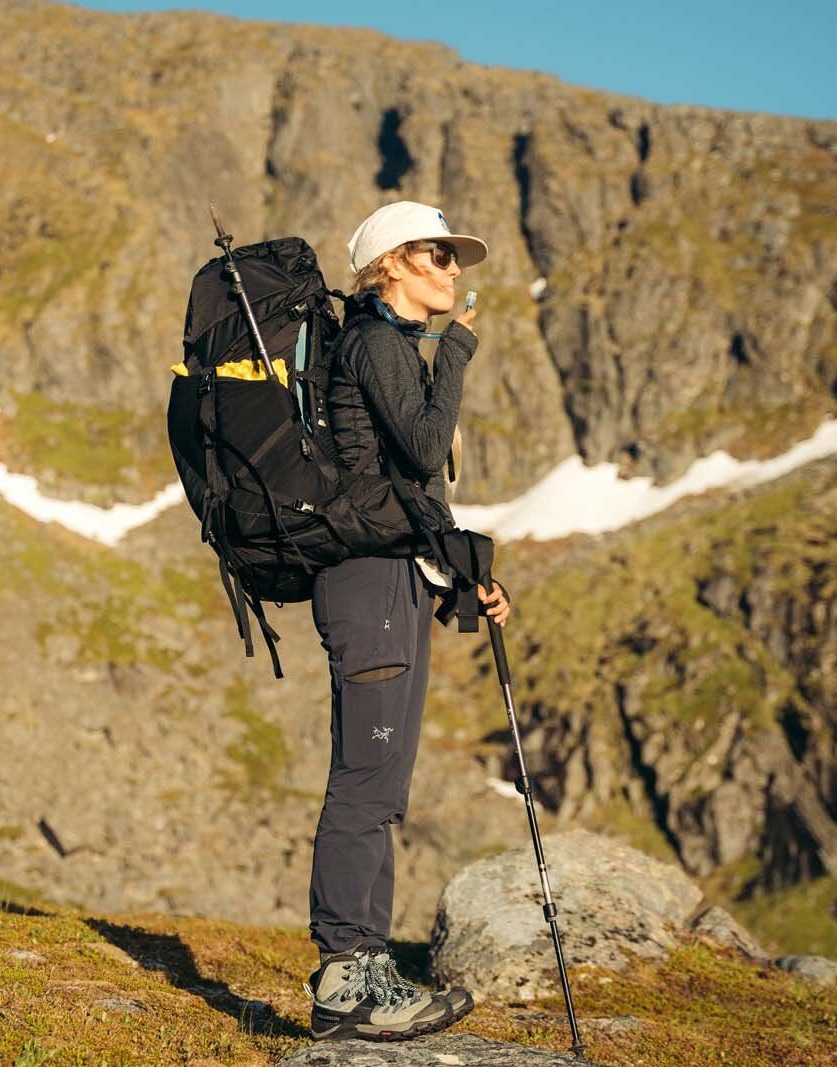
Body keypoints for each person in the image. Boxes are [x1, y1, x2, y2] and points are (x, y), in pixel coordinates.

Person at [304, 201, 511, 1042]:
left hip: (389, 583)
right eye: (437, 254)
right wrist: (455, 347)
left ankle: (366, 969)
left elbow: (410, 496)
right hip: (367, 588)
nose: (453, 269)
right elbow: (426, 451)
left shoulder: (386, 347)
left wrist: (468, 582)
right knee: (367, 779)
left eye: (454, 257)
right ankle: (346, 980)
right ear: (390, 263)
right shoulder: (376, 343)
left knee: (380, 783)